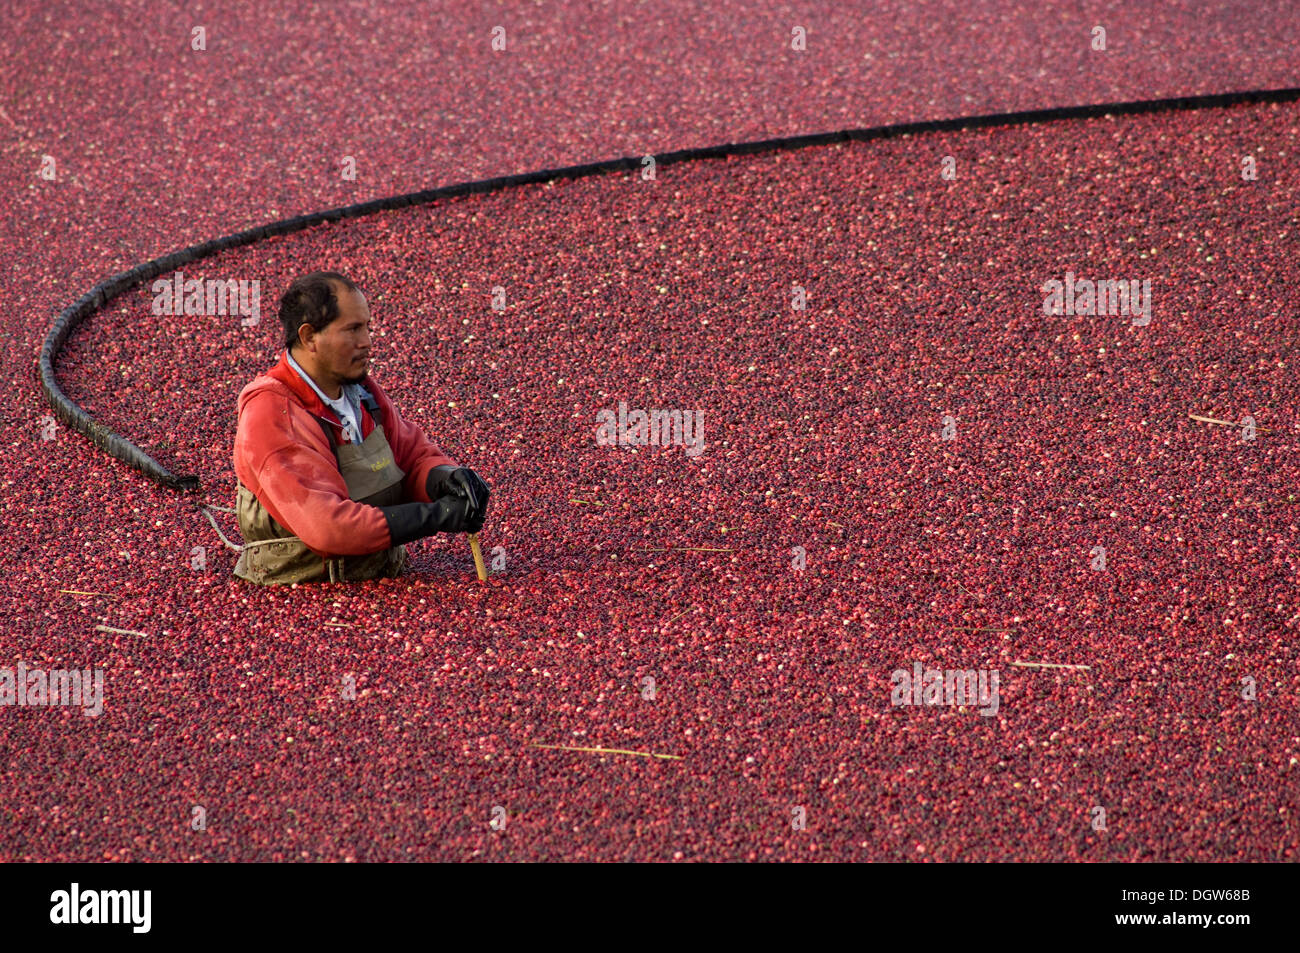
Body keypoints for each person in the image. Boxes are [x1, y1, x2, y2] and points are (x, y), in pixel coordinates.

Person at [231, 271, 489, 584]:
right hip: (307, 592)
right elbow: (328, 527)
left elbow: (410, 458)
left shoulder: (361, 393)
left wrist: (446, 479)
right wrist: (438, 516)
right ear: (309, 336)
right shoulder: (273, 412)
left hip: (381, 579)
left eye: (367, 327)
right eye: (352, 329)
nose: (367, 342)